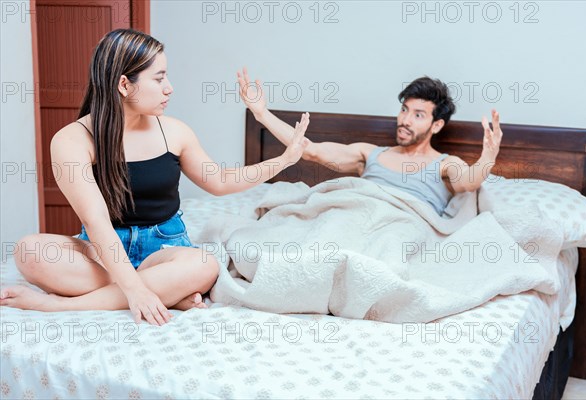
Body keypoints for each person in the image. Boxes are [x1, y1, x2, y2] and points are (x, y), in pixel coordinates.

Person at [0, 30, 309, 326]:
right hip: (102, 251)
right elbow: (97, 223)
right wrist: (136, 289)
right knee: (29, 251)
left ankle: (66, 304)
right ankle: (163, 290)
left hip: (163, 251)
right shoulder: (72, 140)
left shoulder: (174, 131)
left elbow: (220, 181)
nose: (169, 87)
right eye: (159, 78)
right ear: (124, 84)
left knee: (204, 265)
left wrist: (283, 161)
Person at [237, 69, 502, 214]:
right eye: (404, 109)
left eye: (418, 115)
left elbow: (469, 181)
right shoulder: (369, 154)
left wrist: (488, 156)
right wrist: (262, 114)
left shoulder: (445, 165)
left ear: (437, 125)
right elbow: (308, 150)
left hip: (398, 231)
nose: (405, 120)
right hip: (354, 216)